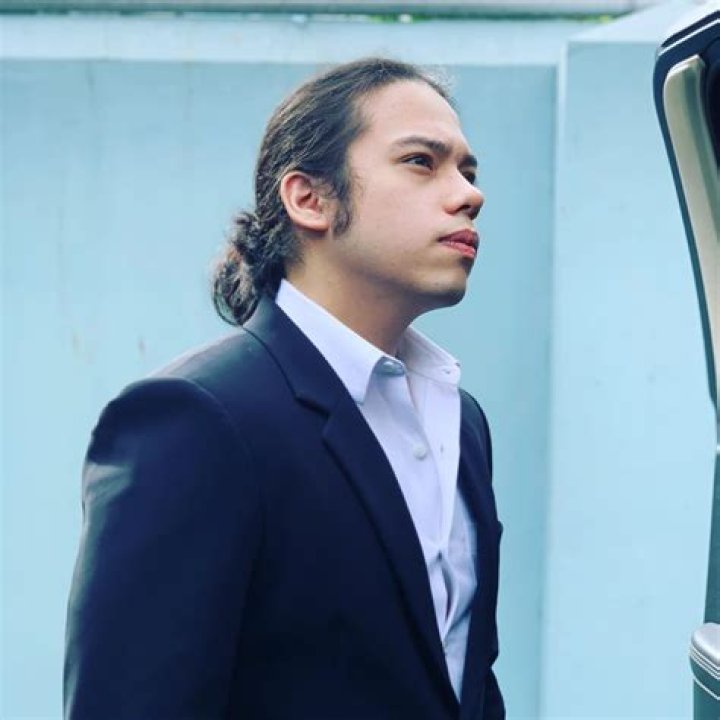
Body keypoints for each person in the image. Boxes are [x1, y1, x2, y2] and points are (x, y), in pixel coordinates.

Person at [64, 57, 504, 720]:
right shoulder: (194, 418)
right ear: (309, 199)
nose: (469, 194)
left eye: (468, 171)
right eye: (422, 162)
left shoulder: (460, 421)